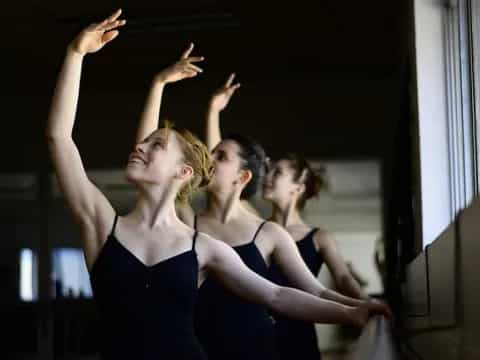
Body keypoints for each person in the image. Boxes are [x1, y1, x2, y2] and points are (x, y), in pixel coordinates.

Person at [46, 9, 373, 360]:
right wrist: (75, 54)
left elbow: (276, 296)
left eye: (155, 145)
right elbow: (59, 137)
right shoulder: (101, 222)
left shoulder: (204, 247)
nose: (139, 147)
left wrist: (352, 312)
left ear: (183, 172)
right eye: (143, 143)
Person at [138, 72, 391, 360]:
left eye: (221, 157)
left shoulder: (268, 233)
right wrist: (160, 87)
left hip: (258, 350)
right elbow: (152, 169)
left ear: (242, 177)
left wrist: (358, 307)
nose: (211, 159)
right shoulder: (186, 220)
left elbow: (315, 291)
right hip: (201, 350)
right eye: (213, 154)